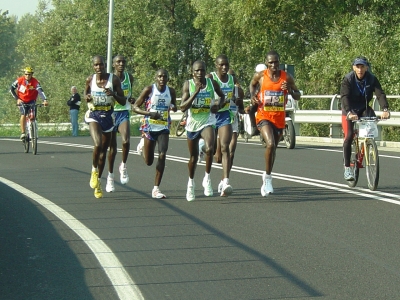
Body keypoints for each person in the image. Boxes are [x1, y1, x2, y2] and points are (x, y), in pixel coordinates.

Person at [249, 50, 301, 196]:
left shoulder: (286, 77)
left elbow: (298, 96)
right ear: (266, 63)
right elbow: (252, 85)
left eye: (276, 62)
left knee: (273, 149)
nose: (273, 65)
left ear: (279, 62)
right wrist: (253, 96)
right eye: (270, 62)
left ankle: (268, 174)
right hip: (263, 116)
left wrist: (290, 90)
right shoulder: (261, 76)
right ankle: (268, 178)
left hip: (279, 119)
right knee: (270, 144)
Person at [180, 60, 225, 201]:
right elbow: (182, 107)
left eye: (202, 70)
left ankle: (207, 178)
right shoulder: (188, 84)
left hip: (208, 121)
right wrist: (196, 93)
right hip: (193, 124)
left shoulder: (212, 83)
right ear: (192, 72)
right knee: (193, 158)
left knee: (211, 148)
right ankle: (191, 184)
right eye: (197, 71)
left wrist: (218, 105)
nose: (200, 73)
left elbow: (223, 96)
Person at [340, 56, 390, 181]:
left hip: (363, 108)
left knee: (370, 128)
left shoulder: (371, 79)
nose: (360, 69)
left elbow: (380, 94)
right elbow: (344, 96)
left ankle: (367, 145)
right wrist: (349, 112)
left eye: (362, 66)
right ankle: (347, 168)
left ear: (366, 68)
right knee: (349, 135)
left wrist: (385, 109)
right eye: (358, 66)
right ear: (353, 68)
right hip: (349, 109)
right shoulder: (348, 79)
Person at [84, 55, 126, 199]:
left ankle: (99, 182)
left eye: (100, 65)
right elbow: (86, 92)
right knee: (98, 144)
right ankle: (94, 170)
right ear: (93, 66)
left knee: (103, 153)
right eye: (96, 65)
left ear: (104, 65)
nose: (98, 68)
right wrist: (87, 97)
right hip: (94, 115)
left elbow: (123, 100)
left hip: (108, 116)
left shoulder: (113, 80)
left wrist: (113, 94)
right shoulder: (90, 79)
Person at [132, 69, 177, 198]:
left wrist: (173, 107)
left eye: (165, 76)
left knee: (162, 154)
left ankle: (156, 189)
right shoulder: (149, 90)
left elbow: (175, 105)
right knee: (149, 161)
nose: (162, 78)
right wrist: (150, 113)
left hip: (163, 127)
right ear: (155, 78)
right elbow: (135, 107)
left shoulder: (171, 91)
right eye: (159, 76)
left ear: (168, 78)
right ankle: (142, 145)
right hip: (149, 127)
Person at [206, 55, 238, 197]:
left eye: (227, 65)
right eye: (222, 65)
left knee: (226, 148)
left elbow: (237, 94)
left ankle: (225, 182)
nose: (225, 67)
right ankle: (207, 176)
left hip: (225, 115)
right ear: (216, 65)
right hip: (210, 117)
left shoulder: (232, 79)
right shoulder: (210, 78)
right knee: (214, 154)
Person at [105, 55, 135, 193]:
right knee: (112, 149)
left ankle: (123, 166)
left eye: (123, 61)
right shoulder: (109, 79)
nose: (121, 63)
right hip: (111, 113)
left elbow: (128, 95)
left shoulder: (129, 77)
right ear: (113, 65)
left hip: (124, 112)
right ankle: (110, 177)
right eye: (118, 62)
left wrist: (132, 99)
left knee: (126, 140)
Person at [214, 69, 245, 193]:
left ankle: (224, 181)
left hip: (232, 121)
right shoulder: (219, 87)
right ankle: (203, 149)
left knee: (230, 151)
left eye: (232, 77)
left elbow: (241, 109)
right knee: (218, 157)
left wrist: (242, 107)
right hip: (218, 119)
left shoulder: (239, 91)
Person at [10, 67, 49, 140]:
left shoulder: (35, 82)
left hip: (31, 100)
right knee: (24, 113)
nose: (27, 76)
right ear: (24, 74)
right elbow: (11, 89)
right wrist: (17, 99)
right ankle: (23, 133)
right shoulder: (19, 80)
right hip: (22, 100)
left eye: (29, 74)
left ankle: (33, 128)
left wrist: (45, 100)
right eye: (26, 74)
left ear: (32, 74)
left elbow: (40, 91)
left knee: (33, 115)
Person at [246, 63, 267, 136]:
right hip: (260, 102)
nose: (262, 74)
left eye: (264, 72)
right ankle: (254, 127)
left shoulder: (272, 78)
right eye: (260, 72)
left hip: (271, 102)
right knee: (251, 110)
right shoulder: (255, 81)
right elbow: (250, 90)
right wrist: (252, 96)